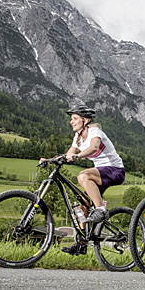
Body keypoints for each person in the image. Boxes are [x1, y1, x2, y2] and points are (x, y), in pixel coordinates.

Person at [58, 104, 125, 255]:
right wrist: (51, 160)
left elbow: (94, 147)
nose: (71, 122)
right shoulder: (78, 138)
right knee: (82, 204)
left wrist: (77, 156)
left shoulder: (95, 131)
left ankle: (101, 209)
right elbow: (68, 154)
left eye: (75, 118)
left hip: (114, 170)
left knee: (83, 175)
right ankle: (82, 243)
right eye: (71, 119)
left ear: (85, 120)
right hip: (101, 173)